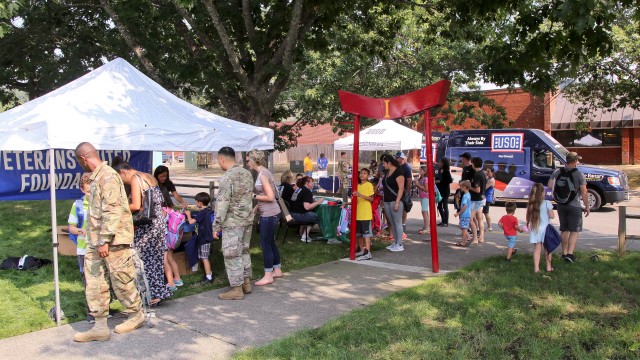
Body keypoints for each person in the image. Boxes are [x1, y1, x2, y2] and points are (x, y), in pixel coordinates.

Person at [73, 142, 143, 342]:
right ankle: (100, 325)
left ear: (83, 159)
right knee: (95, 280)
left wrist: (104, 240)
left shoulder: (109, 176)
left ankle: (135, 314)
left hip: (111, 240)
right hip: (96, 240)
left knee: (121, 278)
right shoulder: (96, 178)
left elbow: (113, 211)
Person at [112, 157, 172, 305]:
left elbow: (136, 205)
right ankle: (157, 292)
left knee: (142, 258)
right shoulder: (148, 175)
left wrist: (117, 208)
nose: (122, 182)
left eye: (120, 178)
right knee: (156, 258)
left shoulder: (135, 178)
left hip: (148, 225)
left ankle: (150, 295)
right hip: (159, 222)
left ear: (123, 172)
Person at [213, 147, 254, 300]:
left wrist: (216, 225)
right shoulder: (247, 174)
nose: (219, 164)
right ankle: (246, 283)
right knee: (244, 250)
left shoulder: (227, 177)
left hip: (232, 222)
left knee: (232, 254)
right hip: (247, 219)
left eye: (218, 161)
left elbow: (222, 203)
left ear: (222, 159)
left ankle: (237, 289)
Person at [246, 149, 283, 286]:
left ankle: (268, 275)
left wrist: (253, 196)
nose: (247, 162)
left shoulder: (262, 175)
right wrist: (256, 208)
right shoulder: (265, 172)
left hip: (269, 214)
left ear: (254, 161)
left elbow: (270, 197)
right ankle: (277, 269)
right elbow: (270, 193)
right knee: (271, 242)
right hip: (271, 212)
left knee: (265, 244)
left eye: (249, 159)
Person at [548, 152, 589, 263]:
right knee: (574, 231)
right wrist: (587, 206)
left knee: (564, 229)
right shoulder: (579, 173)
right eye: (577, 160)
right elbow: (584, 191)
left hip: (561, 204)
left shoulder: (557, 171)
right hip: (574, 205)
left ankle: (564, 253)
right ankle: (570, 255)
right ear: (575, 161)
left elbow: (550, 185)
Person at [68, 172, 93, 322]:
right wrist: (80, 230)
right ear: (82, 190)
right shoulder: (77, 205)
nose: (92, 194)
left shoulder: (101, 204)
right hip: (84, 248)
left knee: (102, 279)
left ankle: (104, 308)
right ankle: (91, 311)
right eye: (89, 191)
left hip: (99, 248)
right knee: (88, 280)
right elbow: (71, 227)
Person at [185, 193, 214, 286]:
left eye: (196, 202)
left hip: (204, 238)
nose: (195, 203)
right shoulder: (208, 210)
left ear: (200, 203)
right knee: (203, 256)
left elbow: (191, 222)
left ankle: (209, 277)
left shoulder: (202, 212)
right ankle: (208, 273)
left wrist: (188, 214)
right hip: (205, 237)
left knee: (204, 258)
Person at [526, 183, 556, 273]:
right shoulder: (547, 203)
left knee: (537, 249)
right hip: (545, 230)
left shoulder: (531, 205)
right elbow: (552, 216)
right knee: (548, 249)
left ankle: (536, 268)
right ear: (542, 193)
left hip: (535, 229)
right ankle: (549, 267)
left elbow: (529, 218)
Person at [381, 154, 406, 252]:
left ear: (389, 163)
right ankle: (395, 242)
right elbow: (386, 185)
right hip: (387, 200)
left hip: (395, 201)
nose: (383, 165)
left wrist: (397, 202)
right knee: (392, 222)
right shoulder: (388, 172)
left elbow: (401, 189)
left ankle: (399, 243)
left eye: (384, 163)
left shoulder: (399, 172)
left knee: (397, 222)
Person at [290, 176, 324, 242]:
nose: (313, 184)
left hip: (292, 214)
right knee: (318, 215)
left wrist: (312, 202)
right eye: (312, 182)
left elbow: (298, 202)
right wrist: (318, 202)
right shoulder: (307, 191)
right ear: (307, 183)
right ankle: (305, 236)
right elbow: (307, 207)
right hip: (298, 215)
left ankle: (302, 234)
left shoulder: (298, 189)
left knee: (311, 215)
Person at [353, 168, 374, 260]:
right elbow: (356, 200)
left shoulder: (369, 185)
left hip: (366, 214)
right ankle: (361, 250)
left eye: (364, 173)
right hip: (358, 214)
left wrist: (360, 195)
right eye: (361, 173)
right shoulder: (357, 186)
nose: (362, 175)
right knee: (359, 234)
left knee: (366, 234)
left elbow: (371, 199)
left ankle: (367, 252)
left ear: (367, 175)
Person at [469, 157, 486, 244]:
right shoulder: (483, 173)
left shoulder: (476, 175)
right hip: (482, 198)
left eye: (472, 163)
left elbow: (477, 189)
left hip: (476, 199)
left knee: (470, 218)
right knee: (480, 218)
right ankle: (481, 237)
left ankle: (475, 238)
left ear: (474, 163)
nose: (471, 164)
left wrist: (469, 187)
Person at [395, 151, 412, 234]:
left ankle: (403, 223)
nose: (396, 159)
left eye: (397, 157)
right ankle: (398, 223)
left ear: (402, 158)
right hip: (396, 190)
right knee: (397, 207)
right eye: (396, 157)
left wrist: (407, 191)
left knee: (404, 208)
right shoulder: (396, 167)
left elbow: (409, 180)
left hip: (404, 191)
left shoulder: (406, 167)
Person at [454, 180, 472, 247]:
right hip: (467, 213)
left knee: (464, 228)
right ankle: (468, 237)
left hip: (464, 214)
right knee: (461, 226)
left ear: (465, 187)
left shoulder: (465, 196)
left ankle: (463, 241)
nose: (460, 188)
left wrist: (458, 213)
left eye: (461, 186)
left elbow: (465, 206)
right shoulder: (468, 194)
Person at [436, 158, 452, 227]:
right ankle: (443, 220)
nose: (439, 164)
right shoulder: (439, 170)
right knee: (439, 206)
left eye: (440, 162)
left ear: (443, 163)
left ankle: (446, 221)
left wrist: (440, 182)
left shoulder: (446, 171)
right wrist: (436, 180)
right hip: (439, 190)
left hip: (445, 191)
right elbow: (437, 178)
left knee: (445, 206)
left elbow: (450, 180)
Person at [414, 166, 430, 235]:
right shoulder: (422, 178)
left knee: (424, 211)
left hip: (425, 196)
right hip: (423, 196)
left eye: (421, 170)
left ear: (425, 171)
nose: (419, 171)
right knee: (425, 211)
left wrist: (418, 185)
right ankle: (426, 226)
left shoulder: (426, 179)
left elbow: (426, 189)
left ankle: (427, 228)